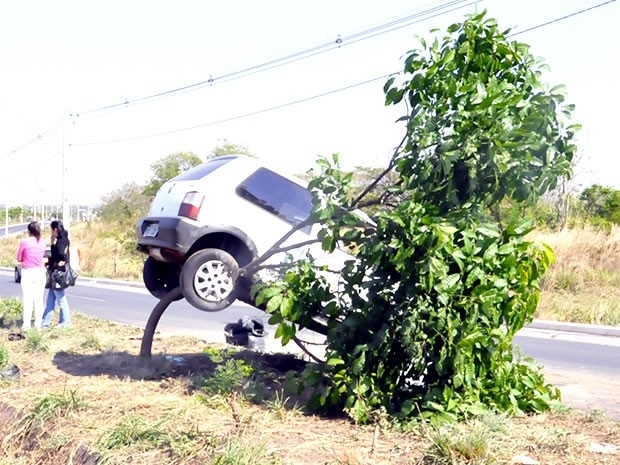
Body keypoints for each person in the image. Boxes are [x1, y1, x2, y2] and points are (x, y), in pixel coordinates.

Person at [16, 221, 48, 330]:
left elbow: (19, 258)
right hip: (40, 272)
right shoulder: (43, 242)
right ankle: (38, 324)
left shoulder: (24, 242)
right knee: (39, 299)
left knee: (28, 299)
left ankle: (26, 324)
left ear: (29, 231)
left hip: (28, 272)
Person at [42, 220, 72, 328]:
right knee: (50, 299)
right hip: (55, 272)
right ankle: (45, 322)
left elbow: (60, 254)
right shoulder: (62, 239)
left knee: (61, 299)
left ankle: (66, 322)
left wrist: (60, 258)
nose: (50, 232)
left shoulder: (61, 240)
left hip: (57, 273)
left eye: (51, 230)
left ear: (55, 229)